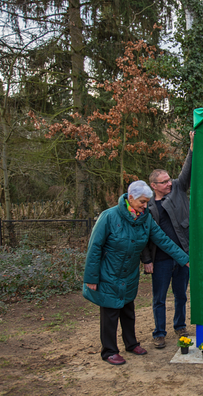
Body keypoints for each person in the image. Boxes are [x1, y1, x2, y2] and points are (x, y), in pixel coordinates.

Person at [83, 181, 190, 366]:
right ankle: (109, 351)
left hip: (129, 275)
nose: (145, 205)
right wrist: (91, 278)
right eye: (142, 201)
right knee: (110, 313)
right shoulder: (108, 217)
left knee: (128, 310)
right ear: (130, 198)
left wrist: (185, 259)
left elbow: (163, 240)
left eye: (147, 202)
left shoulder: (145, 219)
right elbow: (95, 248)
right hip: (109, 273)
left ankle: (131, 344)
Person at [141, 132, 194, 349]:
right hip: (160, 260)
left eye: (169, 180)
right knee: (159, 298)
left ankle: (180, 326)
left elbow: (186, 171)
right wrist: (146, 260)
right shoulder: (147, 205)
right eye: (163, 182)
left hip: (183, 257)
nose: (169, 184)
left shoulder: (178, 190)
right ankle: (159, 333)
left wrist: (192, 146)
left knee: (181, 294)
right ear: (153, 185)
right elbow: (144, 236)